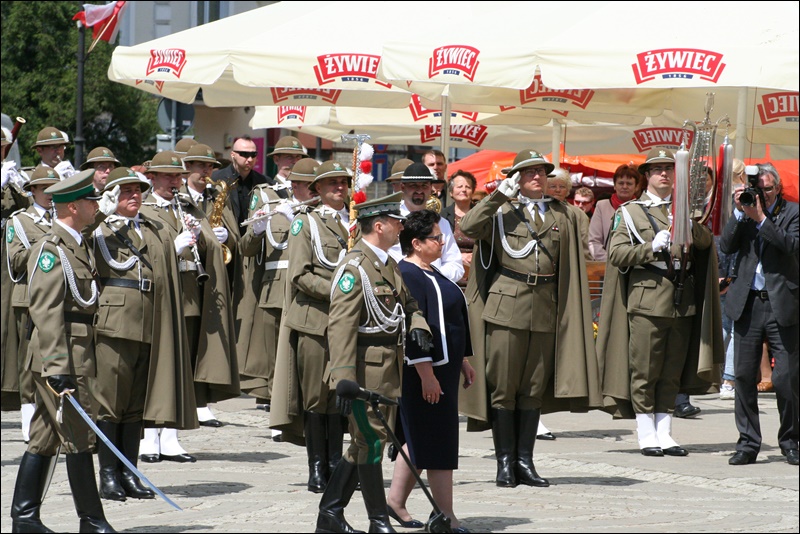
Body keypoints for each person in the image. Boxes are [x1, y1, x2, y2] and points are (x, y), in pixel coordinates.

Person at [459, 149, 601, 488]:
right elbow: (468, 225)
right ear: (516, 178)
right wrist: (497, 196)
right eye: (528, 172)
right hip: (506, 306)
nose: (537, 177)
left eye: (541, 171)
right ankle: (504, 463)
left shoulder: (561, 214)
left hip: (545, 307)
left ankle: (525, 461)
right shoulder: (501, 211)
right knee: (504, 389)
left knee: (533, 390)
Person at [315, 192, 432, 534]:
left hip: (386, 369)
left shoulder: (387, 263)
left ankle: (330, 514)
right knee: (371, 443)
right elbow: (340, 327)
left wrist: (420, 328)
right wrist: (342, 380)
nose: (401, 227)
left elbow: (409, 305)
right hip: (362, 371)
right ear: (379, 226)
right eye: (396, 222)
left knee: (368, 443)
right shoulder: (355, 268)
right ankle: (378, 521)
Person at [10, 169, 117, 533]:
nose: (97, 205)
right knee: (79, 436)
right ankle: (92, 521)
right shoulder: (51, 250)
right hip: (61, 357)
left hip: (75, 352)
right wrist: (58, 367)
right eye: (91, 200)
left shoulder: (75, 242)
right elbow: (46, 311)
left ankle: (24, 517)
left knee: (43, 435)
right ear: (73, 205)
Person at [596, 148, 722, 457]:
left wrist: (690, 224)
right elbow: (617, 254)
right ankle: (646, 432)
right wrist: (651, 248)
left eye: (669, 168)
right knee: (645, 369)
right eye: (656, 169)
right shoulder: (629, 212)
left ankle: (665, 432)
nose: (664, 174)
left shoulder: (687, 212)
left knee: (671, 371)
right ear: (647, 176)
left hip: (682, 299)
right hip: (647, 301)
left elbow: (706, 243)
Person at [90, 167, 196, 502]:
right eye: (125, 191)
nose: (134, 196)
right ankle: (108, 474)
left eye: (138, 190)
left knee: (135, 406)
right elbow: (78, 243)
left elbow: (162, 262)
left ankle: (129, 472)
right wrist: (100, 212)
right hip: (115, 323)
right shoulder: (101, 229)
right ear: (112, 196)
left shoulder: (149, 228)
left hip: (149, 320)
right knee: (110, 403)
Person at [139, 150, 239, 461]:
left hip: (189, 294)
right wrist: (174, 246)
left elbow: (210, 243)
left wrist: (204, 235)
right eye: (167, 176)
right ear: (152, 178)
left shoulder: (187, 206)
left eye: (177, 176)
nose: (174, 182)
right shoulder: (143, 209)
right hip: (158, 297)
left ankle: (169, 434)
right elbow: (143, 252)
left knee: (182, 368)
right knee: (155, 367)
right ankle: (147, 435)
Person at [386, 209, 476, 533]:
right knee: (438, 441)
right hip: (425, 371)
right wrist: (426, 374)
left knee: (421, 438)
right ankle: (446, 517)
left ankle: (395, 501)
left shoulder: (432, 271)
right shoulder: (408, 274)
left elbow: (449, 321)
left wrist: (462, 360)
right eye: (435, 238)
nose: (441, 242)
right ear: (416, 243)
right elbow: (416, 329)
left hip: (444, 369)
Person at [280, 160, 352, 493]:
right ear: (317, 190)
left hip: (346, 323)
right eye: (331, 183)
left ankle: (337, 463)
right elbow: (299, 274)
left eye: (343, 182)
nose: (339, 187)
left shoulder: (354, 224)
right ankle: (317, 467)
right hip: (314, 320)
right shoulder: (305, 224)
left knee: (340, 396)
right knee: (315, 398)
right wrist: (338, 290)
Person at [720, 162, 798, 466]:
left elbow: (790, 245)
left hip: (783, 303)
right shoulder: (745, 212)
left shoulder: (793, 212)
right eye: (757, 189)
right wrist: (741, 213)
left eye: (766, 189)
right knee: (742, 376)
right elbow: (726, 245)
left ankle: (791, 440)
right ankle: (748, 443)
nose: (761, 195)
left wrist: (762, 218)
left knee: (786, 378)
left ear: (777, 188)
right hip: (748, 303)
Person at [237, 157, 316, 435]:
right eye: (295, 183)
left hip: (307, 288)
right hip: (274, 288)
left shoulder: (322, 211)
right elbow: (245, 248)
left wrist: (297, 221)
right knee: (275, 359)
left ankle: (307, 414)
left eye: (304, 185)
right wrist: (257, 229)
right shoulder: (268, 200)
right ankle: (278, 415)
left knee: (308, 357)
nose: (297, 189)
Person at [5, 166, 60, 443]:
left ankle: (55, 415)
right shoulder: (20, 222)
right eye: (44, 189)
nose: (50, 194)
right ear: (33, 191)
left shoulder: (64, 219)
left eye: (54, 189)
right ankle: (29, 418)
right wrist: (47, 244)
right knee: (29, 360)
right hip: (29, 296)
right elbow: (15, 263)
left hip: (60, 297)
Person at [390, 162, 464, 284]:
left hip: (433, 288)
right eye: (414, 185)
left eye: (424, 185)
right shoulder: (391, 219)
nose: (419, 190)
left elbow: (455, 265)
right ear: (403, 187)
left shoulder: (441, 223)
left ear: (431, 188)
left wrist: (430, 275)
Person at [211, 135, 277, 236]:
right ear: (233, 154)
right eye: (244, 154)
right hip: (225, 239)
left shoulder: (265, 181)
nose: (250, 159)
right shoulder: (216, 179)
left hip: (253, 241)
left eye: (253, 154)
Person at [588, 164, 641, 261]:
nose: (624, 187)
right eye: (621, 183)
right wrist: (610, 263)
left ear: (636, 187)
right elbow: (593, 241)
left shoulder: (643, 208)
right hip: (606, 267)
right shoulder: (602, 206)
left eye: (629, 184)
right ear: (614, 186)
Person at [440, 169, 476, 288]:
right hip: (451, 277)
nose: (464, 190)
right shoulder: (442, 216)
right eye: (459, 186)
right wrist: (460, 257)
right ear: (451, 192)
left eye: (468, 187)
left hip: (477, 274)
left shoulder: (481, 215)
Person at [548, 167, 591, 260]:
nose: (558, 190)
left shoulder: (578, 214)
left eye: (562, 186)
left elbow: (584, 246)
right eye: (553, 186)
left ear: (567, 190)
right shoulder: (539, 210)